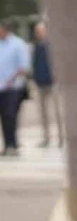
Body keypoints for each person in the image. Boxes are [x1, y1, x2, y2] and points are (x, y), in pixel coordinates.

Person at [0, 21, 30, 156]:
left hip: (13, 88)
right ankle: (7, 145)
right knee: (4, 117)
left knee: (10, 116)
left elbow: (23, 67)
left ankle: (13, 144)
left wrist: (10, 81)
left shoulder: (17, 44)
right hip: (0, 87)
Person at [31, 22, 62, 148]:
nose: (39, 34)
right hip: (41, 83)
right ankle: (46, 137)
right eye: (38, 32)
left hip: (53, 83)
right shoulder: (36, 46)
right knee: (43, 113)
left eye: (41, 31)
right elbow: (35, 64)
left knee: (57, 112)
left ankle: (62, 138)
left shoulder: (53, 46)